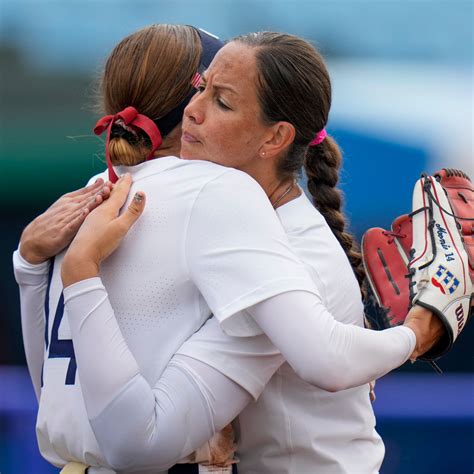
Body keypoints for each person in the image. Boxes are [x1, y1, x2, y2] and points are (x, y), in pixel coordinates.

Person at [14, 27, 451, 474]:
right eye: (199, 90)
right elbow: (331, 357)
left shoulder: (102, 196)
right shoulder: (202, 209)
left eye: (221, 100)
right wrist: (412, 335)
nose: (193, 112)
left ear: (275, 138)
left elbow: (330, 359)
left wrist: (30, 263)